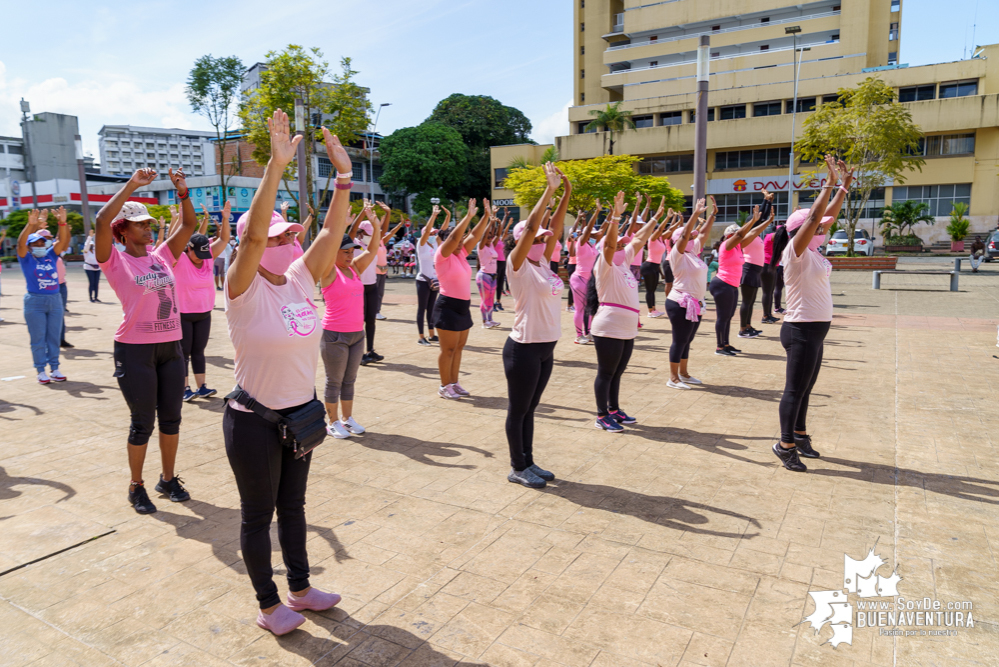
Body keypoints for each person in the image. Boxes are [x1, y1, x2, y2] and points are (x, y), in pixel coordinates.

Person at [224, 112, 351, 634]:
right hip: (253, 421)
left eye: (287, 235)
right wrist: (273, 169)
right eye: (278, 237)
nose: (285, 242)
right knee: (259, 516)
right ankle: (267, 604)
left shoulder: (302, 277)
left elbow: (331, 229)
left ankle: (300, 590)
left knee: (293, 508)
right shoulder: (242, 284)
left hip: (299, 417)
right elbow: (253, 239)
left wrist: (342, 178)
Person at [95, 167, 197, 513]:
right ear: (122, 230)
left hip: (171, 347)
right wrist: (131, 187)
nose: (148, 226)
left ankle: (167, 479)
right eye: (140, 223)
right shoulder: (114, 261)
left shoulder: (160, 257)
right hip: (135, 350)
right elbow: (99, 220)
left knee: (172, 419)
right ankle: (136, 485)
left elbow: (188, 227)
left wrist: (182, 191)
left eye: (149, 222)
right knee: (143, 424)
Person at [772, 156, 852, 472]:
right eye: (817, 227)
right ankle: (784, 444)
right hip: (801, 330)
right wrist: (829, 182)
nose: (824, 228)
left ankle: (800, 434)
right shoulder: (796, 252)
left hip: (815, 331)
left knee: (806, 388)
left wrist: (844, 186)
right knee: (794, 390)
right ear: (803, 229)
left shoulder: (814, 252)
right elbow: (817, 216)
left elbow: (826, 215)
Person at [503, 163, 570, 488]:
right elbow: (532, 229)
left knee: (532, 408)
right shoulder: (518, 266)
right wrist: (549, 191)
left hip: (546, 347)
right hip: (524, 349)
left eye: (546, 239)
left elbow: (553, 228)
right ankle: (518, 466)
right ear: (524, 241)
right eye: (537, 238)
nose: (544, 240)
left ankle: (528, 461)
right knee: (519, 410)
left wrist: (566, 194)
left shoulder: (543, 263)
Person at [587, 191, 657, 432]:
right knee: (606, 372)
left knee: (617, 372)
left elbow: (638, 240)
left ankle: (614, 410)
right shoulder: (604, 266)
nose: (620, 247)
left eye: (621, 245)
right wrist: (615, 217)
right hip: (609, 325)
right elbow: (608, 244)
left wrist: (655, 219)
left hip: (626, 326)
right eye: (616, 245)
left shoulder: (624, 263)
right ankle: (601, 415)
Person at [320, 202, 380, 440]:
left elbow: (372, 251)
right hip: (334, 335)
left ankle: (347, 418)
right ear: (334, 251)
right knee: (333, 381)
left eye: (351, 250)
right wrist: (340, 227)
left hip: (357, 334)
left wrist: (375, 225)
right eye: (345, 251)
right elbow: (325, 248)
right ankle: (332, 421)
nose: (350, 254)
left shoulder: (354, 268)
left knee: (349, 380)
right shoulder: (327, 270)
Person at [174, 201, 232, 401]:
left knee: (199, 351)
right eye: (197, 254)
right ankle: (184, 388)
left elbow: (224, 239)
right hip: (183, 314)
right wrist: (180, 219)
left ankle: (202, 387)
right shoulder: (179, 260)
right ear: (188, 249)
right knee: (184, 352)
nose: (201, 258)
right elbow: (173, 240)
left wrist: (225, 219)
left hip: (203, 314)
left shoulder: (207, 258)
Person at [433, 198, 490, 399]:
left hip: (463, 307)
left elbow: (474, 234)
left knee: (458, 348)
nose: (460, 244)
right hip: (447, 306)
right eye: (456, 241)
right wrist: (468, 216)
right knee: (447, 349)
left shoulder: (460, 254)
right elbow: (455, 236)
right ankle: (443, 385)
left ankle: (454, 383)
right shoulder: (442, 255)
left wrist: (486, 216)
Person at [17, 208, 70, 383]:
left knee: (54, 337)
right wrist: (31, 225)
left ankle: (55, 368)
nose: (40, 245)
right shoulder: (26, 258)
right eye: (36, 243)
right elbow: (20, 244)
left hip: (55, 300)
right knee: (38, 338)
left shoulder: (51, 256)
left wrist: (62, 224)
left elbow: (63, 242)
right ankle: (40, 370)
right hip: (35, 302)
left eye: (42, 243)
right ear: (30, 246)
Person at [665, 199, 709, 390]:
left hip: (695, 303)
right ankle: (673, 377)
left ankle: (684, 373)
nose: (692, 240)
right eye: (689, 238)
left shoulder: (693, 253)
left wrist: (713, 215)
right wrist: (695, 214)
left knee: (687, 340)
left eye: (693, 238)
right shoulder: (678, 254)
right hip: (679, 302)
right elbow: (684, 236)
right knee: (680, 339)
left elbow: (704, 234)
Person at [708, 207, 764, 356]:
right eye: (738, 234)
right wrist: (752, 220)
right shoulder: (726, 245)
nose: (742, 235)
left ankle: (726, 344)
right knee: (723, 317)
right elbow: (741, 233)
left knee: (729, 316)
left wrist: (766, 221)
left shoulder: (739, 247)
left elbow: (753, 233)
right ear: (730, 236)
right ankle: (720, 347)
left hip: (732, 285)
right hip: (722, 284)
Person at [738, 195, 775, 339]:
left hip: (755, 270)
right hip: (748, 269)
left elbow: (763, 218)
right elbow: (762, 217)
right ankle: (742, 329)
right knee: (747, 301)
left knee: (751, 301)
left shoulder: (757, 235)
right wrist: (765, 202)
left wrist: (768, 201)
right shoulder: (748, 234)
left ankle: (748, 325)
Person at [569, 205, 599, 344]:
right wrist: (597, 211)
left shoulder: (592, 245)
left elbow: (603, 230)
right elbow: (587, 229)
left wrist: (612, 216)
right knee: (580, 308)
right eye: (591, 234)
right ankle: (578, 335)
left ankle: (589, 333)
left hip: (590, 279)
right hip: (579, 279)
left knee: (590, 307)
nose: (593, 236)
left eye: (594, 235)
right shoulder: (580, 243)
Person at [415, 206, 443, 346]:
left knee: (432, 308)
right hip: (423, 280)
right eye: (430, 233)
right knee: (422, 308)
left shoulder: (435, 245)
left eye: (433, 233)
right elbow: (426, 231)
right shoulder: (421, 244)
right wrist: (432, 215)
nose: (432, 235)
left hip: (434, 281)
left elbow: (442, 231)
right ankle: (421, 337)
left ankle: (432, 334)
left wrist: (448, 215)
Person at [476, 215, 501, 328]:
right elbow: (486, 234)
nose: (490, 238)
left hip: (493, 276)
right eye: (488, 236)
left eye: (491, 237)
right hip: (484, 275)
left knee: (491, 298)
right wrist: (490, 223)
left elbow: (498, 235)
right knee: (485, 299)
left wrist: (499, 224)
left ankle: (490, 319)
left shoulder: (491, 245)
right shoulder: (481, 247)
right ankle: (484, 321)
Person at [761, 218, 782, 324]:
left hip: (772, 266)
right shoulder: (769, 237)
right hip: (766, 265)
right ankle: (765, 316)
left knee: (770, 291)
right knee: (767, 292)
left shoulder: (777, 241)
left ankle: (769, 314)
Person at [493, 212, 513, 312]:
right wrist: (494, 215)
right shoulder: (493, 240)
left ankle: (498, 302)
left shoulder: (501, 239)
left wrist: (506, 219)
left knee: (500, 283)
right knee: (494, 283)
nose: (500, 232)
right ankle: (492, 302)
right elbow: (501, 230)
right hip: (495, 263)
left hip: (502, 262)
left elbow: (504, 231)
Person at [83, 229, 102, 303]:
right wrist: (90, 237)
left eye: (92, 245)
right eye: (90, 245)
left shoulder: (95, 251)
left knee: (96, 283)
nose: (91, 246)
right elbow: (86, 245)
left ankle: (96, 297)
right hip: (89, 268)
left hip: (97, 268)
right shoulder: (86, 252)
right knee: (91, 282)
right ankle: (91, 298)